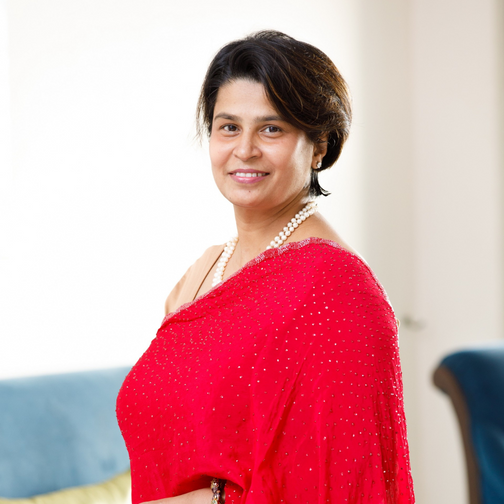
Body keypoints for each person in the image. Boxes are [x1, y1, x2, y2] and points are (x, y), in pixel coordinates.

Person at [116, 30, 415, 504]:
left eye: (271, 129)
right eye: (228, 127)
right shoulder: (206, 272)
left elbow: (341, 487)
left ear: (319, 145)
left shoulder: (338, 290)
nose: (245, 149)